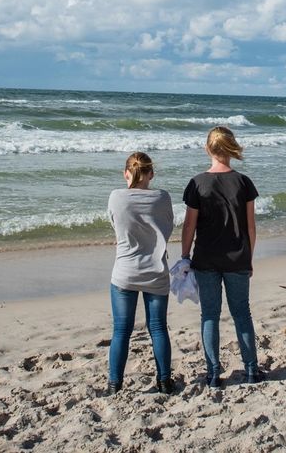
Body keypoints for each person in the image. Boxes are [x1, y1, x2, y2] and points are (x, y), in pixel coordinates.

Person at [181, 126, 264, 387]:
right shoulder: (243, 182)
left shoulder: (197, 183)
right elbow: (251, 227)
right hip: (238, 257)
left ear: (208, 149)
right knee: (242, 313)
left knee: (209, 315)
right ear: (231, 147)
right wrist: (250, 257)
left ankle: (214, 373)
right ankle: (251, 370)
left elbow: (189, 226)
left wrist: (185, 255)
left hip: (206, 258)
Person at [107, 152, 175, 395]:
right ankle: (165, 381)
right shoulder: (162, 197)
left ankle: (115, 384)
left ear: (126, 173)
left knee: (121, 331)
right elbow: (168, 226)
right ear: (151, 174)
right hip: (156, 270)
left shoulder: (116, 197)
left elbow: (116, 225)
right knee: (158, 328)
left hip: (125, 272)